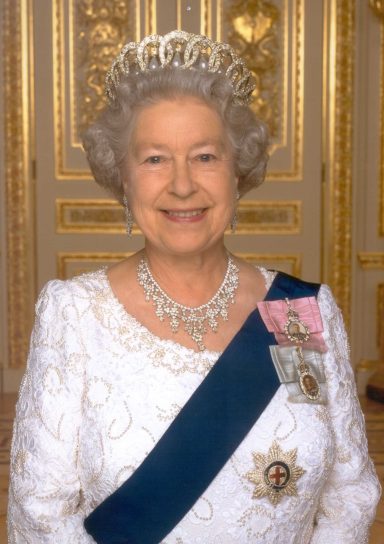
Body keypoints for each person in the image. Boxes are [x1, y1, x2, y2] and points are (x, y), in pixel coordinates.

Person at [8, 30, 380, 543]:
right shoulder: (73, 314)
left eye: (205, 156)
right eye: (155, 158)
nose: (182, 185)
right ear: (123, 179)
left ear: (236, 172)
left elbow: (351, 491)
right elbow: (41, 512)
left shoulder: (294, 314)